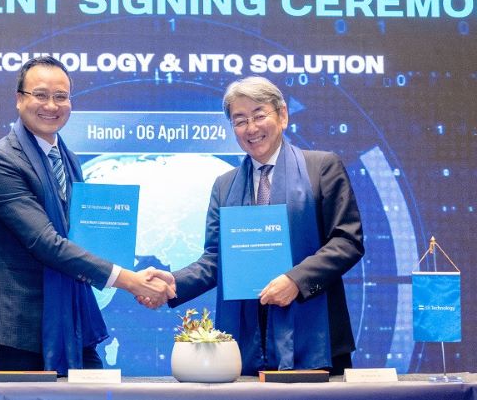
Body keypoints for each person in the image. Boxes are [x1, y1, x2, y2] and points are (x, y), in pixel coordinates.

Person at [147, 76, 364, 375]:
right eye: (240, 121)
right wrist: (174, 282)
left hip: (317, 337)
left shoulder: (322, 167)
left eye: (259, 115)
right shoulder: (224, 185)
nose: (251, 128)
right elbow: (217, 258)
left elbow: (347, 241)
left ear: (282, 115)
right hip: (248, 342)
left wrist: (296, 281)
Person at [0, 56, 172, 373]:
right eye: (40, 95)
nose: (51, 105)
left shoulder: (68, 159)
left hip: (72, 320)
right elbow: (46, 243)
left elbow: (81, 236)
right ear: (19, 99)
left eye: (61, 96)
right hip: (18, 329)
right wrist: (131, 281)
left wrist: (134, 272)